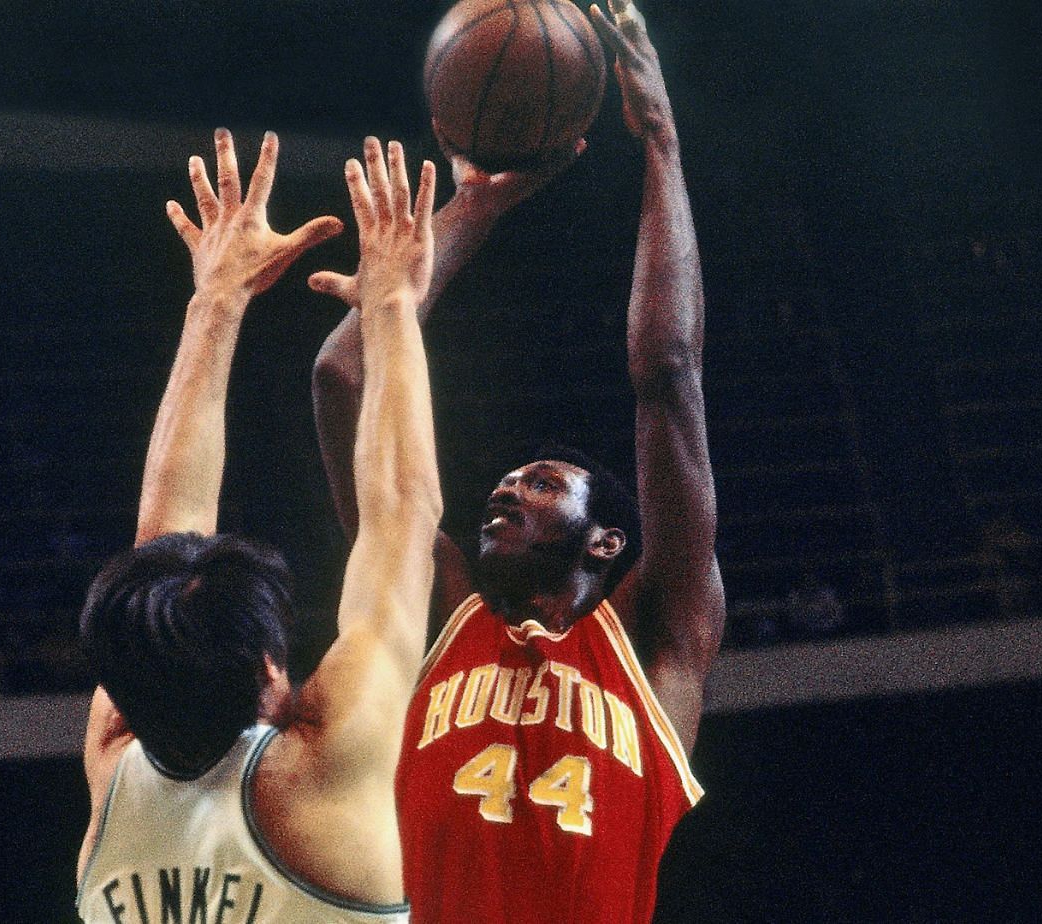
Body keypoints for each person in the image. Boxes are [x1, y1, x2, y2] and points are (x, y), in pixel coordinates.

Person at [308, 3, 723, 921]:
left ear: (608, 541)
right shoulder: (439, 611)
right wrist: (477, 205)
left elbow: (667, 374)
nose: (504, 487)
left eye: (540, 484)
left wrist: (660, 140)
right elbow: (342, 375)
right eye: (510, 479)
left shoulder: (657, 645)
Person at [76, 129, 441, 924]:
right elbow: (401, 510)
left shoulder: (113, 772)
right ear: (272, 672)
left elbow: (162, 544)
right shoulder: (319, 776)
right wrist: (388, 302)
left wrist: (218, 300)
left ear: (121, 701)